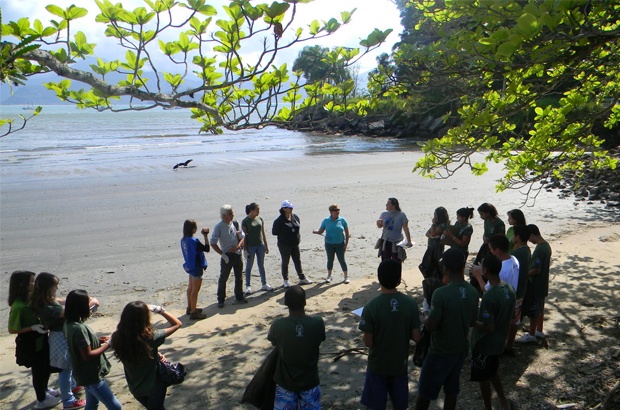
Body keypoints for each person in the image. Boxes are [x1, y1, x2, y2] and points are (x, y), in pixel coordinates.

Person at [415, 248, 478, 410]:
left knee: (425, 393)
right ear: (463, 267)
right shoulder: (472, 291)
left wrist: (426, 313)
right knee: (451, 390)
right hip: (460, 349)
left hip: (440, 351)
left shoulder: (440, 294)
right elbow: (472, 322)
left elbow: (431, 326)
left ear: (445, 269)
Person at [359, 259, 422, 410]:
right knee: (400, 404)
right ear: (399, 280)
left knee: (375, 405)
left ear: (379, 278)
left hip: (378, 364)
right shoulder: (410, 303)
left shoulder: (370, 307)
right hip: (399, 364)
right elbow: (416, 337)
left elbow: (368, 342)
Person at [112, 301, 182, 409]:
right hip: (154, 387)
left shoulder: (117, 337)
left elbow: (137, 349)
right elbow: (177, 324)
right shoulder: (151, 337)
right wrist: (160, 310)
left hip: (135, 387)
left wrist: (156, 353)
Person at [32, 272, 87, 410]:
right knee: (65, 368)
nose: (56, 288)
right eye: (55, 286)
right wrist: (89, 303)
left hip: (60, 335)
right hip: (59, 337)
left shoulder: (46, 300)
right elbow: (68, 312)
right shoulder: (47, 307)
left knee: (69, 365)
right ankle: (68, 400)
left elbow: (59, 300)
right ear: (47, 288)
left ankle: (73, 386)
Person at [8, 270, 61, 409]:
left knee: (46, 366)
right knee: (38, 370)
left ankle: (45, 389)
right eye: (32, 281)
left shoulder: (32, 298)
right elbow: (12, 329)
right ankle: (41, 400)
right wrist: (32, 327)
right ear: (22, 285)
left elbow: (50, 301)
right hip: (30, 343)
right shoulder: (19, 306)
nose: (35, 283)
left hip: (42, 337)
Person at [470, 255, 516, 410]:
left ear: (485, 271)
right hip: (499, 341)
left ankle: (488, 406)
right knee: (493, 372)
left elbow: (488, 326)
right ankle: (503, 400)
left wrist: (472, 322)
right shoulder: (508, 289)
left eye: (481, 265)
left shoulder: (490, 295)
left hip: (485, 344)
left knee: (483, 378)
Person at [268, 286, 325, 409]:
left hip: (285, 381)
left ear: (285, 303)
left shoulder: (278, 325)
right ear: (305, 302)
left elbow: (274, 342)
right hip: (310, 380)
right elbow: (320, 339)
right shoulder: (317, 323)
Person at [64, 289, 121, 410]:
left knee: (92, 404)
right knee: (115, 406)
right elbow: (87, 355)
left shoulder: (68, 323)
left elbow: (81, 345)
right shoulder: (79, 329)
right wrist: (109, 343)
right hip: (91, 376)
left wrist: (97, 341)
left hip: (83, 374)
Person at [516, 224, 552, 343]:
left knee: (534, 310)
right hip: (543, 283)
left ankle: (531, 334)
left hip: (536, 284)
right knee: (540, 308)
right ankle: (539, 330)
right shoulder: (546, 246)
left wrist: (524, 275)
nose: (529, 241)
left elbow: (536, 269)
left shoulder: (540, 249)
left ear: (532, 234)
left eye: (529, 238)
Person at [210, 205, 248, 308]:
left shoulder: (235, 223)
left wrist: (238, 246)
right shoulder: (219, 227)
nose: (233, 215)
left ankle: (239, 296)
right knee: (223, 277)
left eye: (232, 213)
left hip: (237, 254)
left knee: (239, 276)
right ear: (224, 216)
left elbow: (242, 237)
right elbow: (213, 242)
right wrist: (222, 254)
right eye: (230, 214)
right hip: (227, 255)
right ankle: (221, 299)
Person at [272, 200, 312, 288]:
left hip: (295, 243)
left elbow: (298, 227)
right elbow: (274, 232)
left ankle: (302, 278)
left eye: (291, 207)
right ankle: (285, 280)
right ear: (284, 209)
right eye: (289, 208)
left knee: (297, 261)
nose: (291, 209)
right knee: (285, 261)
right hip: (284, 245)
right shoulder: (279, 221)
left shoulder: (295, 217)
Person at [505, 225, 531, 354]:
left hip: (515, 290)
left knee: (512, 319)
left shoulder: (517, 253)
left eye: (513, 235)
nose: (511, 238)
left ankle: (508, 345)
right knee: (515, 318)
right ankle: (509, 344)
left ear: (518, 237)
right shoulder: (526, 250)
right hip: (521, 289)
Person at [419, 207, 450, 314]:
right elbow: (427, 234)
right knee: (425, 267)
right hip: (431, 248)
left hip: (436, 250)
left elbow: (432, 234)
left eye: (436, 214)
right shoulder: (438, 225)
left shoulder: (442, 225)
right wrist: (433, 233)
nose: (434, 216)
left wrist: (433, 225)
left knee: (435, 269)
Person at [312, 204, 350, 284]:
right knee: (330, 260)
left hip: (340, 244)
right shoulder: (326, 220)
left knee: (342, 260)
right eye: (335, 210)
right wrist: (316, 232)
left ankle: (346, 276)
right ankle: (329, 276)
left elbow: (347, 233)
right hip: (329, 244)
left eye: (338, 210)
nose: (337, 212)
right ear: (331, 211)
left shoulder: (342, 220)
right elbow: (321, 231)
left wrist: (346, 244)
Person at [180, 219, 209, 320]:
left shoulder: (183, 240)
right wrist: (205, 236)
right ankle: (193, 312)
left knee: (190, 288)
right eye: (195, 227)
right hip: (196, 266)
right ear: (193, 229)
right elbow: (207, 249)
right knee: (195, 291)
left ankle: (190, 307)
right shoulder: (194, 241)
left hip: (189, 266)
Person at [242, 203, 273, 294]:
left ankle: (264, 284)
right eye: (257, 210)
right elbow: (244, 237)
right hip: (250, 247)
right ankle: (248, 286)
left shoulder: (260, 219)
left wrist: (266, 245)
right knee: (249, 266)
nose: (259, 211)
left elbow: (263, 233)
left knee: (261, 265)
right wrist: (245, 250)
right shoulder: (245, 221)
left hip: (260, 245)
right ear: (251, 210)